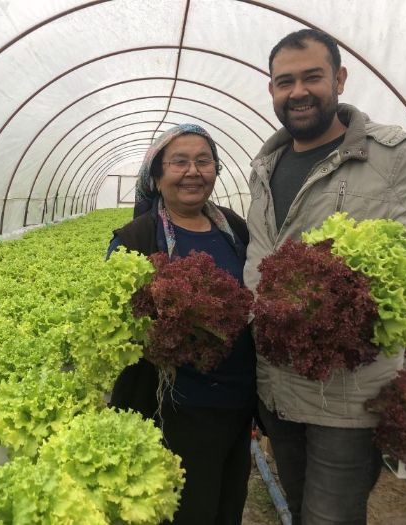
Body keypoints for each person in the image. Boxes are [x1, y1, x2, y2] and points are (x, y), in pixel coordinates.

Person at [244, 29, 406, 525]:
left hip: (347, 395)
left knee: (331, 517)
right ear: (272, 90)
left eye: (311, 77)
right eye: (284, 82)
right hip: (275, 384)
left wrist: (355, 302)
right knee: (299, 508)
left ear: (339, 79)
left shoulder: (391, 155)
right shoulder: (265, 164)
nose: (297, 91)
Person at [107, 123, 256, 525]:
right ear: (156, 177)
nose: (193, 172)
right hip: (170, 410)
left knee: (227, 507)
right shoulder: (135, 239)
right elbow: (115, 326)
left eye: (203, 161)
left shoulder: (235, 231)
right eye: (179, 162)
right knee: (185, 511)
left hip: (236, 404)